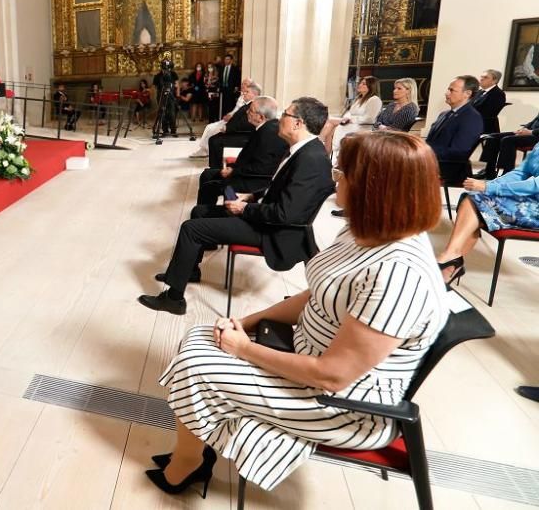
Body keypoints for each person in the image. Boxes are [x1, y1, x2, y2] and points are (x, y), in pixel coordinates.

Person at [145, 132, 448, 499]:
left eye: (346, 174)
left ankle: (188, 461)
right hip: (307, 358)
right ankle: (193, 453)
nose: (337, 180)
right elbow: (315, 295)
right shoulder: (363, 232)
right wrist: (250, 322)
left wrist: (244, 349)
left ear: (375, 190)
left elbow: (334, 375)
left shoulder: (401, 274)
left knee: (197, 363)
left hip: (344, 406)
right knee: (201, 337)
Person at [139, 97, 334, 315]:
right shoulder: (304, 151)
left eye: (285, 114)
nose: (279, 119)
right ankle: (189, 270)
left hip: (273, 232)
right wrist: (250, 197)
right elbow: (277, 188)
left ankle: (174, 299)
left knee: (190, 229)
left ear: (298, 123)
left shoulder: (311, 159)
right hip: (264, 217)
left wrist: (244, 209)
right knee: (200, 211)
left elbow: (285, 214)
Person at [436, 145, 539, 286]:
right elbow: (520, 173)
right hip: (530, 200)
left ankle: (449, 263)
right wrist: (487, 185)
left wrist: (490, 188)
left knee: (477, 202)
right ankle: (452, 258)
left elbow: (536, 185)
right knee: (473, 198)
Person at [196, 96, 287, 206]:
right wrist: (233, 167)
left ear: (261, 117)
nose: (247, 112)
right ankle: (207, 211)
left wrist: (233, 171)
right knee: (206, 175)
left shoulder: (267, 134)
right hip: (246, 172)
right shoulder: (266, 127)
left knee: (210, 187)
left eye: (251, 110)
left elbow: (261, 167)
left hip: (254, 180)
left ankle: (214, 214)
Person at [425, 76, 483, 181]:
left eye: (452, 90)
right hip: (429, 161)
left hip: (447, 167)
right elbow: (431, 142)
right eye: (448, 89)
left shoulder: (471, 117)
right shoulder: (444, 114)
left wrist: (424, 152)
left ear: (467, 94)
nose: (447, 93)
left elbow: (458, 152)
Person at [190, 78, 255, 158]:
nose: (242, 85)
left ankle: (206, 150)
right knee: (209, 127)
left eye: (245, 84)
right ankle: (204, 150)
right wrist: (229, 114)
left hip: (234, 122)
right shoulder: (242, 96)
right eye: (242, 83)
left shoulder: (249, 99)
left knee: (212, 129)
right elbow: (236, 109)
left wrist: (231, 117)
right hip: (231, 118)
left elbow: (241, 114)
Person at [319, 76, 382, 157]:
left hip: (361, 127)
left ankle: (319, 146)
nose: (360, 85)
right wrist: (345, 119)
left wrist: (351, 120)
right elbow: (350, 113)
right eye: (360, 83)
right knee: (329, 123)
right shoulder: (358, 99)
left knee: (330, 124)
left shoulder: (374, 99)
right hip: (350, 124)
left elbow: (370, 118)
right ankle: (323, 152)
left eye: (364, 84)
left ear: (371, 86)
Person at [207, 82, 262, 169]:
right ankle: (215, 167)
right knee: (214, 138)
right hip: (238, 132)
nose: (244, 93)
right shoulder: (248, 104)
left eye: (247, 92)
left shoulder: (253, 105)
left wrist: (228, 128)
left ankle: (217, 168)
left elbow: (246, 123)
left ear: (255, 94)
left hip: (245, 135)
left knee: (215, 140)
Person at [474, 110, 539, 179]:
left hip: (536, 136)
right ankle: (489, 171)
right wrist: (522, 129)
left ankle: (507, 172)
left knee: (507, 140)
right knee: (492, 137)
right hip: (528, 133)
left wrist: (531, 132)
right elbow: (534, 121)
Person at [472, 69, 507, 135]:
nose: (481, 79)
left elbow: (488, 112)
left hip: (485, 127)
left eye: (485, 77)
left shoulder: (498, 94)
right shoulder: (479, 92)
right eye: (481, 77)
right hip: (473, 124)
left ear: (494, 81)